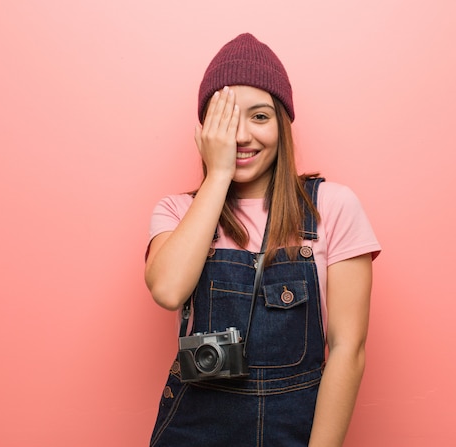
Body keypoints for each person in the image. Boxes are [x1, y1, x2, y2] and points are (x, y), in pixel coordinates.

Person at [146, 33, 381, 447]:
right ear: (205, 131)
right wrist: (217, 176)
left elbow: (349, 348)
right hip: (193, 428)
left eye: (259, 117)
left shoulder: (334, 206)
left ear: (282, 125)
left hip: (293, 428)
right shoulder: (178, 211)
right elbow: (167, 289)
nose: (241, 136)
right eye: (226, 119)